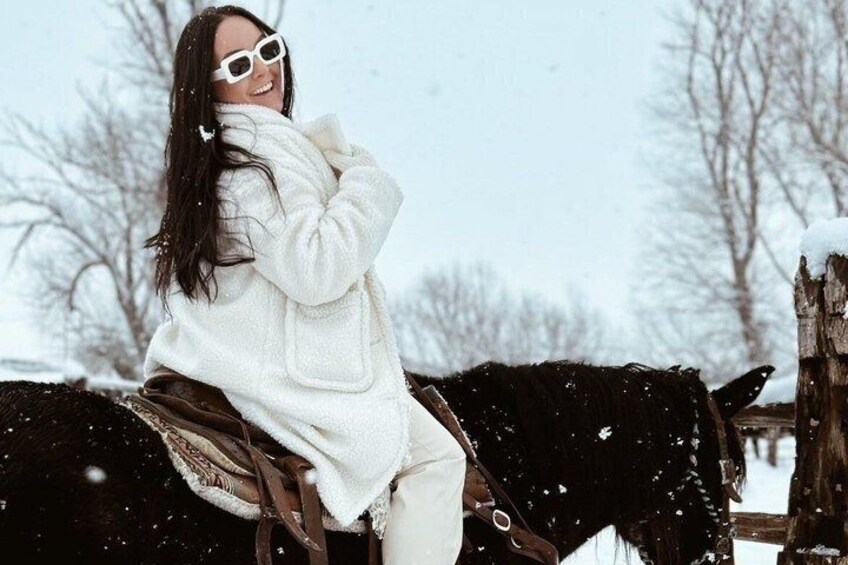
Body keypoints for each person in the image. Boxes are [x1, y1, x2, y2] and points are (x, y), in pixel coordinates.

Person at [141, 5, 466, 563]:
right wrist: (365, 186)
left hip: (260, 358)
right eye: (239, 64)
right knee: (437, 457)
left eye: (268, 49)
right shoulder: (246, 171)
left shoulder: (247, 156)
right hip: (278, 375)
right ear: (208, 87)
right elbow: (315, 270)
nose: (264, 69)